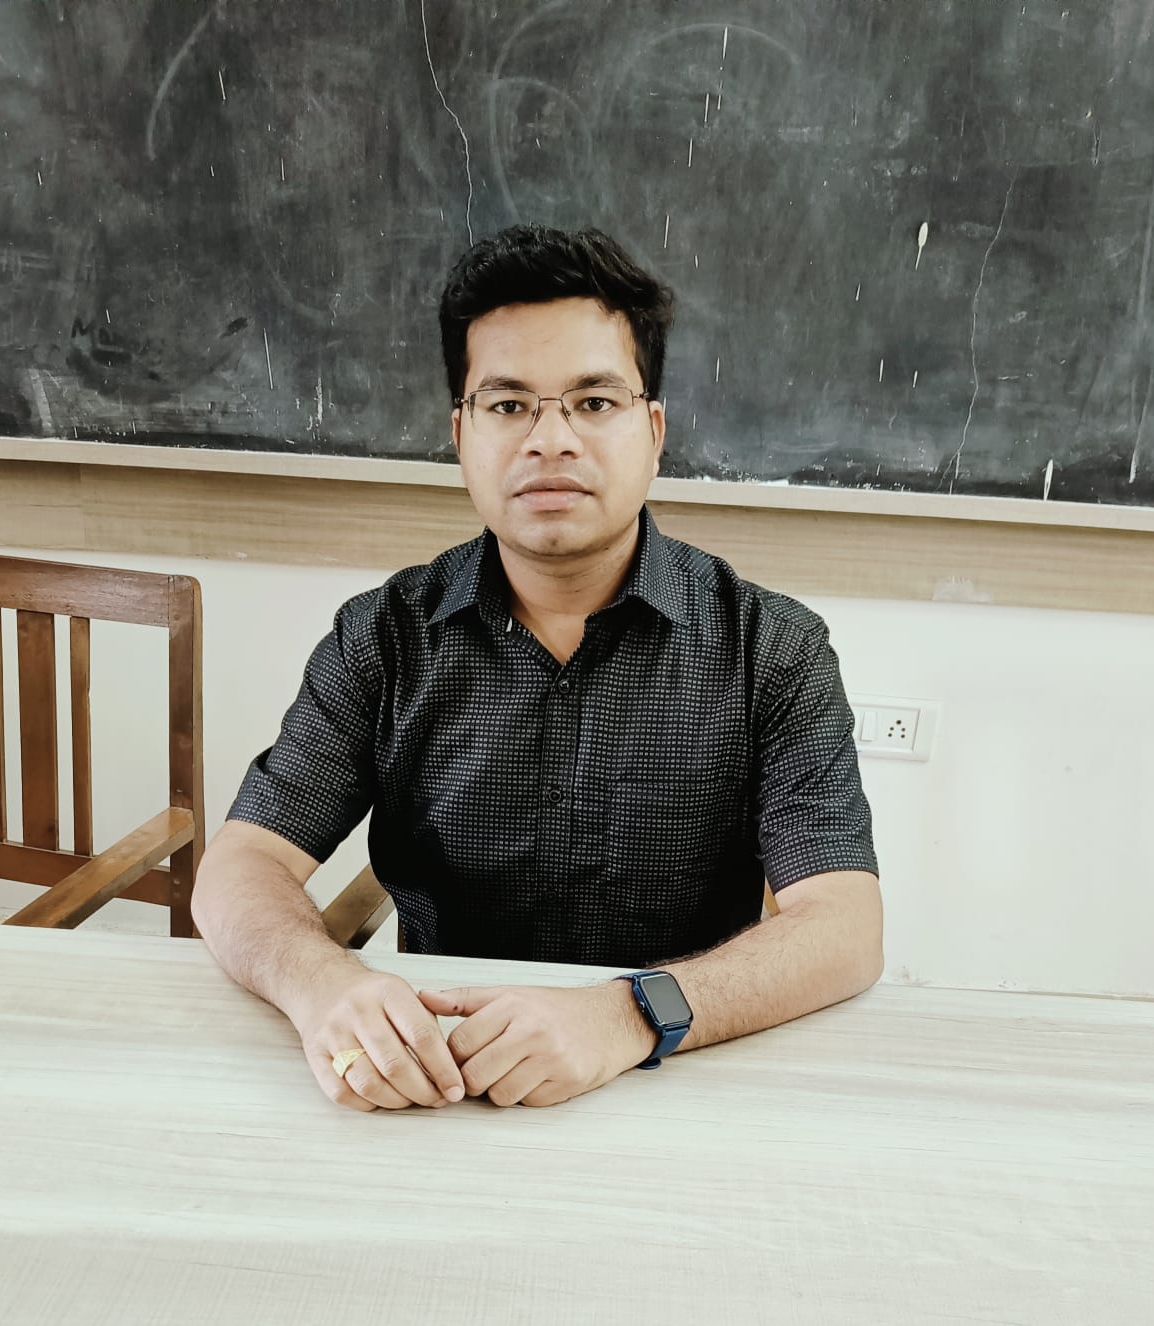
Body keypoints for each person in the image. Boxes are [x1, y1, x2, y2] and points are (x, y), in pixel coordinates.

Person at [192, 225, 881, 1114]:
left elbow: (843, 924)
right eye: (508, 404)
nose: (549, 440)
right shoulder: (383, 637)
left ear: (652, 430)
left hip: (678, 1075)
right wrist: (321, 983)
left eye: (593, 401)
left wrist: (627, 1016)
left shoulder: (771, 648)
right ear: (461, 433)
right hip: (443, 1086)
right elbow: (243, 861)